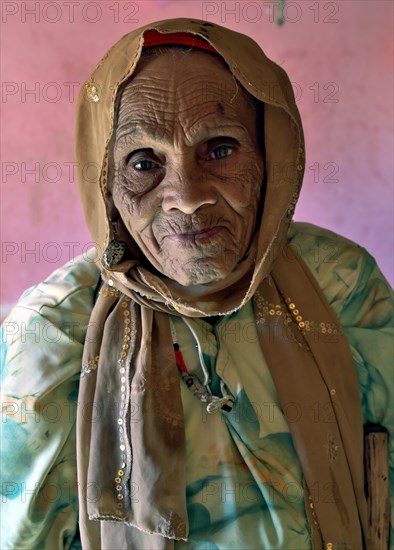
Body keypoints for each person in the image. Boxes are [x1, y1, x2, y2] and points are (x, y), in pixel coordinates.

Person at [1, 18, 392, 550]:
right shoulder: (57, 329)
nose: (186, 196)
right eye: (143, 163)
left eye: (221, 149)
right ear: (105, 185)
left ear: (269, 157)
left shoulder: (340, 282)